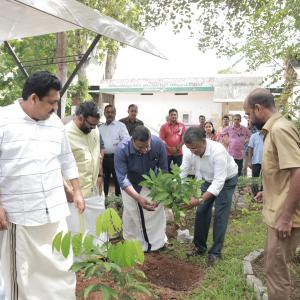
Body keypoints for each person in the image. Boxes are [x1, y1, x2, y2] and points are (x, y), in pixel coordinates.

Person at [0, 71, 85, 300]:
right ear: (34, 98)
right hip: (20, 216)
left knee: (60, 265)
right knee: (23, 276)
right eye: (51, 102)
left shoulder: (55, 123)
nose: (55, 108)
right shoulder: (3, 120)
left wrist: (76, 190)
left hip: (55, 212)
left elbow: (66, 159)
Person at [244, 88, 300, 300]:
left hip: (284, 217)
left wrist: (286, 217)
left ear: (259, 108)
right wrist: (268, 193)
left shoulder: (280, 130)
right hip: (277, 212)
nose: (249, 120)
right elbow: (283, 172)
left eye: (249, 114)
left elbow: (297, 172)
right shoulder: (273, 130)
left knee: (276, 271)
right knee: (272, 266)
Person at [180, 127, 238, 266]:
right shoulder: (188, 150)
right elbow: (182, 172)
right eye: (190, 149)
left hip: (226, 180)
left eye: (195, 148)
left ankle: (215, 253)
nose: (193, 152)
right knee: (201, 211)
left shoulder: (218, 151)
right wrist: (175, 191)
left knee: (220, 215)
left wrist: (198, 200)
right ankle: (199, 247)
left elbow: (219, 182)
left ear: (204, 141)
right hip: (207, 179)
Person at [114, 126, 168, 252]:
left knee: (154, 212)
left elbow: (163, 170)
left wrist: (159, 194)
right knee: (131, 211)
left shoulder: (158, 144)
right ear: (132, 141)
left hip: (152, 182)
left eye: (146, 147)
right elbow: (122, 179)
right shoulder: (121, 149)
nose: (144, 150)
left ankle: (156, 243)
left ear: (150, 140)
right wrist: (138, 198)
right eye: (139, 148)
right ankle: (131, 241)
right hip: (130, 184)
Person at [65, 101, 105, 243]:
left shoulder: (94, 130)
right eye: (91, 124)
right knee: (78, 233)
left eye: (96, 125)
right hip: (75, 195)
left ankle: (96, 258)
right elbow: (58, 167)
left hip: (94, 190)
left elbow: (97, 155)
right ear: (80, 118)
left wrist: (100, 175)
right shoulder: (65, 134)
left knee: (97, 230)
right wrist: (69, 191)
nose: (94, 128)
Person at [99, 105, 130, 197]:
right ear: (104, 114)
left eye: (112, 112)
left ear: (115, 113)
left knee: (118, 181)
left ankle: (119, 201)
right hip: (103, 159)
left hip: (116, 158)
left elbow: (126, 140)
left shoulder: (121, 126)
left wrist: (118, 145)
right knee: (104, 181)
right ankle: (105, 201)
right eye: (107, 112)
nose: (110, 114)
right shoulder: (100, 128)